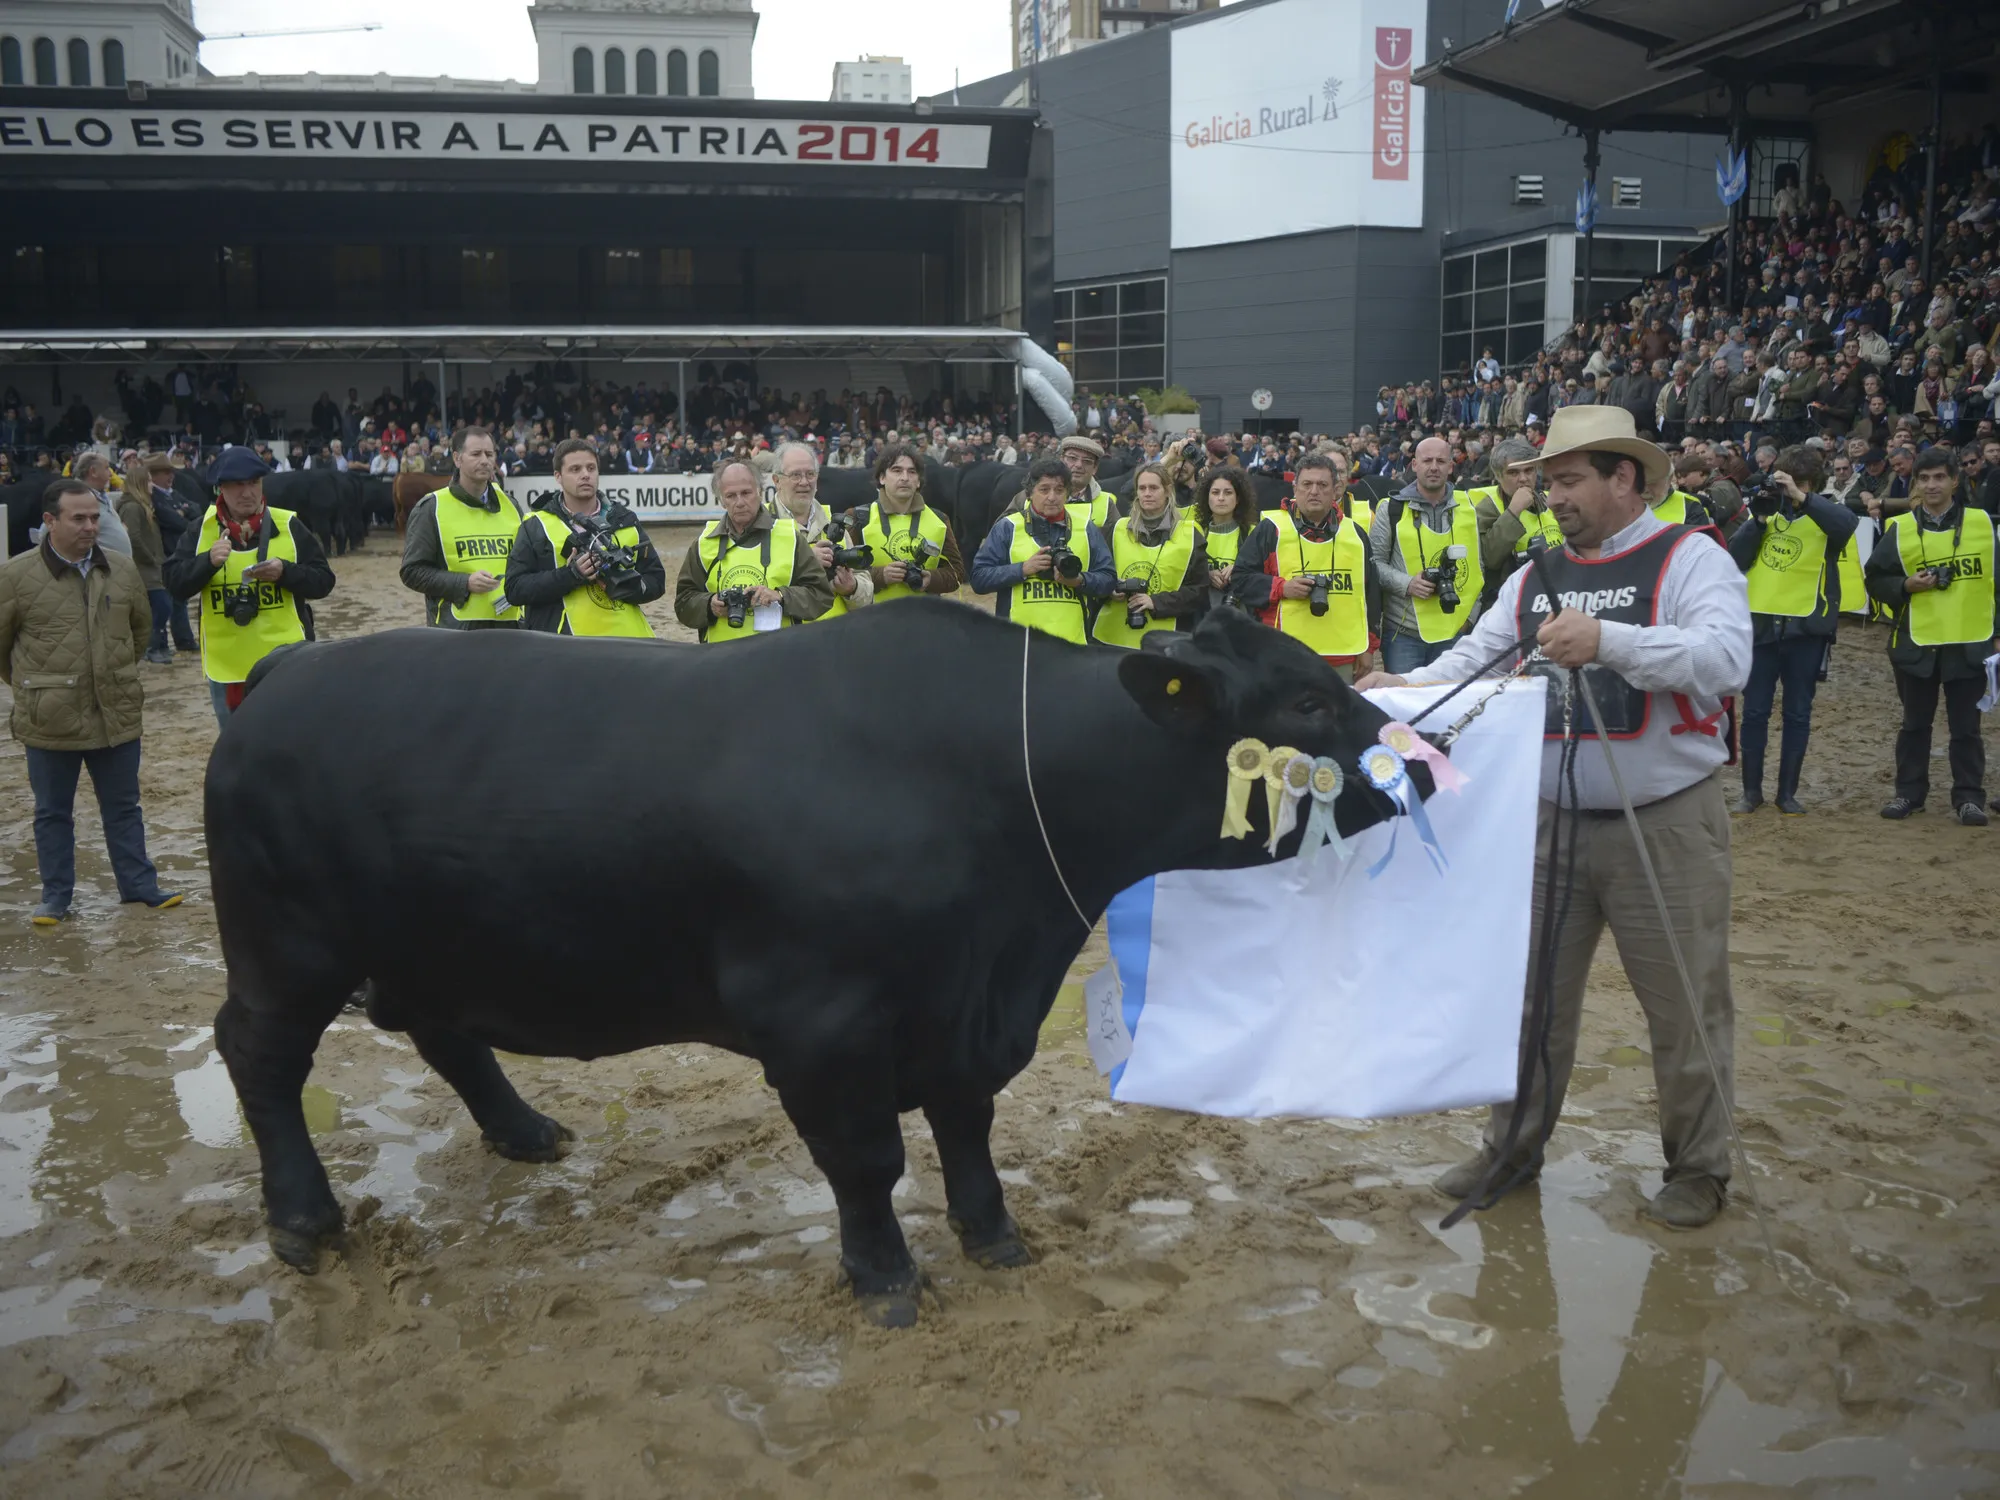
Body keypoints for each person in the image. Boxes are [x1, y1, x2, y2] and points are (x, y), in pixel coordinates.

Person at [1361, 404, 1752, 1230]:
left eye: (1569, 480)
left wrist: (1611, 641)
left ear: (1624, 479)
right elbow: (1478, 655)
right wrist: (1403, 689)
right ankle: (1512, 1148)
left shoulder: (1690, 558)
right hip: (1547, 821)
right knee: (1529, 1000)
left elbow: (1725, 659)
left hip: (1668, 819)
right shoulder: (1534, 574)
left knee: (1683, 1003)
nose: (1553, 497)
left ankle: (1698, 1169)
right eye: (1547, 482)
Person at [0, 479, 183, 923]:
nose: (89, 526)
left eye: (94, 518)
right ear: (50, 521)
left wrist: (112, 673)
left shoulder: (121, 568)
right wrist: (36, 687)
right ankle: (56, 897)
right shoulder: (16, 575)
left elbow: (140, 632)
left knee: (124, 806)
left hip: (115, 709)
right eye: (78, 518)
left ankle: (138, 886)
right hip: (48, 719)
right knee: (52, 812)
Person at [1866, 447, 1995, 825]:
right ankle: (1909, 794)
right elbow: (1874, 580)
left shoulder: (1982, 523)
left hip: (1970, 644)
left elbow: (1997, 584)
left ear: (1955, 480)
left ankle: (1969, 798)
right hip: (1916, 644)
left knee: (1967, 729)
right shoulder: (1901, 528)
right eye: (1924, 478)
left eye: (1939, 477)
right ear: (1916, 485)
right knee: (1914, 726)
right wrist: (1905, 585)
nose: (1931, 484)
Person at [1727, 444, 1858, 815]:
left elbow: (1846, 526)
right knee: (1754, 713)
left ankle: (1787, 793)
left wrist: (1803, 499)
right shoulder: (1765, 512)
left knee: (1798, 713)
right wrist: (1757, 519)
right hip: (1762, 628)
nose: (1792, 489)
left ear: (1812, 483)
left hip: (1806, 630)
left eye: (1800, 483)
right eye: (1788, 482)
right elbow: (1735, 558)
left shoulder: (1827, 516)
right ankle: (1751, 792)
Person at [163, 447, 336, 726]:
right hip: (229, 665)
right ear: (221, 488)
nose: (248, 492)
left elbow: (324, 581)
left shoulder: (288, 525)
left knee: (291, 739)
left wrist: (286, 572)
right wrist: (206, 563)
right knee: (237, 749)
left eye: (254, 483)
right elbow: (173, 584)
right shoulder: (200, 530)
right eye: (237, 485)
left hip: (287, 660)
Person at [1228, 453, 1378, 679]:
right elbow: (1240, 579)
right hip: (1283, 655)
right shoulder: (1271, 529)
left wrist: (1369, 647)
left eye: (1322, 485)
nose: (1314, 491)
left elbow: (1371, 595)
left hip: (1343, 655)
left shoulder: (1356, 534)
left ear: (1336, 489)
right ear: (1295, 487)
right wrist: (1281, 588)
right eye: (1307, 484)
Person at [504, 438, 665, 637]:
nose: (585, 475)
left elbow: (656, 580)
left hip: (629, 644)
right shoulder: (535, 525)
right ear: (558, 476)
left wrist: (626, 586)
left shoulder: (626, 518)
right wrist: (571, 575)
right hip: (568, 649)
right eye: (575, 469)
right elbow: (515, 589)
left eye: (591, 468)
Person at [674, 459, 834, 641]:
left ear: (760, 492)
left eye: (746, 493)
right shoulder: (704, 543)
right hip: (721, 660)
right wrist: (710, 605)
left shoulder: (791, 539)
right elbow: (683, 603)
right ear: (721, 501)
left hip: (778, 657)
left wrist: (780, 596)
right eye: (731, 496)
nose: (740, 502)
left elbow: (821, 596)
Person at [1369, 435, 1481, 675]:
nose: (1433, 467)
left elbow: (1477, 567)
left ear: (1451, 467)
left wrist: (1469, 619)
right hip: (1404, 635)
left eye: (1441, 461)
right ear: (1414, 465)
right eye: (1427, 460)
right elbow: (1373, 565)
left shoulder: (1468, 508)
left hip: (1453, 633)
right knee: (1404, 709)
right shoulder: (1391, 509)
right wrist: (1407, 584)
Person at [970, 455, 1113, 642]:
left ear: (1068, 493)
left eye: (1059, 490)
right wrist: (1022, 569)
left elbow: (1109, 579)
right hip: (1019, 643)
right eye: (1044, 490)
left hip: (1073, 644)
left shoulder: (1086, 528)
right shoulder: (1008, 527)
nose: (1052, 497)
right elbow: (979, 579)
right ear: (1029, 493)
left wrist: (1080, 580)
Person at [399, 426, 525, 630]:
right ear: (457, 459)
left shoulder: (512, 505)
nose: (484, 460)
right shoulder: (431, 508)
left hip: (511, 628)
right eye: (476, 454)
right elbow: (412, 572)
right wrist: (464, 583)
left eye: (489, 454)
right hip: (455, 634)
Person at [1092, 462, 1208, 647]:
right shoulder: (1116, 529)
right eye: (1142, 488)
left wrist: (1156, 602)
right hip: (1112, 639)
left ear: (1167, 490)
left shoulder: (1190, 534)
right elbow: (1096, 574)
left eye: (1153, 488)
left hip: (1167, 639)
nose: (1147, 493)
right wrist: (1109, 589)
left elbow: (1199, 591)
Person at [769, 440, 871, 620]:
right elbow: (752, 584)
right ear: (777, 480)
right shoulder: (762, 524)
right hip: (784, 639)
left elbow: (866, 593)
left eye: (810, 474)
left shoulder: (834, 522)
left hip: (833, 638)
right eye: (795, 475)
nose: (804, 482)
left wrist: (852, 587)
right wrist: (805, 560)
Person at [862, 444, 964, 604]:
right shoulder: (859, 518)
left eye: (912, 472)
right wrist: (880, 576)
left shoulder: (939, 519)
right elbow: (844, 574)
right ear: (882, 478)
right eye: (896, 470)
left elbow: (956, 573)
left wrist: (931, 578)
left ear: (918, 481)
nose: (905, 478)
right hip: (873, 621)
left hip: (925, 620)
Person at [1471, 437, 1565, 602]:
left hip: (1556, 589)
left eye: (1529, 470)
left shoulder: (1550, 500)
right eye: (1513, 472)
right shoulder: (1487, 507)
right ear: (1498, 476)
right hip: (1511, 598)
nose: (1523, 478)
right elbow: (1489, 558)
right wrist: (1514, 511)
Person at [116, 456, 174, 665]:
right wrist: (152, 559)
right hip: (145, 568)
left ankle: (161, 645)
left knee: (160, 607)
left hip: (152, 565)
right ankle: (151, 647)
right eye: (148, 481)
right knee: (161, 606)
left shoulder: (142, 505)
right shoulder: (132, 507)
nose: (152, 485)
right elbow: (133, 538)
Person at [144, 454, 199, 655]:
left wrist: (183, 512)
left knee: (178, 599)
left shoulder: (171, 494)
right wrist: (183, 514)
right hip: (166, 552)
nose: (171, 476)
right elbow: (176, 522)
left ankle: (181, 639)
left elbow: (196, 509)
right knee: (167, 602)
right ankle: (163, 643)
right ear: (153, 475)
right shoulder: (154, 497)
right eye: (166, 472)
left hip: (177, 550)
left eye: (171, 472)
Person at [1194, 465, 1259, 613]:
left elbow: (1264, 578)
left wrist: (1240, 571)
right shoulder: (1194, 532)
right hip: (1200, 617)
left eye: (1228, 492)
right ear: (1207, 497)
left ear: (1238, 499)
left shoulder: (1254, 533)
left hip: (1242, 617)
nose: (1221, 498)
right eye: (1215, 492)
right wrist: (1206, 575)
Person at [68, 452, 133, 557]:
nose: (111, 474)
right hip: (102, 569)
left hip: (119, 568)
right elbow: (46, 532)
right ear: (93, 471)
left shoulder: (100, 496)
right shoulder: (75, 497)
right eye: (107, 468)